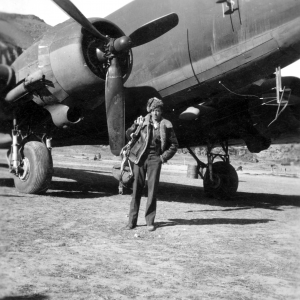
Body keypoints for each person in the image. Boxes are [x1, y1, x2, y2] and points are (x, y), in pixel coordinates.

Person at [125, 97, 178, 231]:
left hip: (155, 158)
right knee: (136, 189)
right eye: (153, 110)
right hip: (140, 158)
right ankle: (132, 222)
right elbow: (129, 135)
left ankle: (149, 222)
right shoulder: (142, 121)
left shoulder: (166, 124)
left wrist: (162, 158)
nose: (155, 113)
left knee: (152, 190)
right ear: (150, 110)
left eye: (158, 110)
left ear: (161, 111)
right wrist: (135, 125)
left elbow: (174, 145)